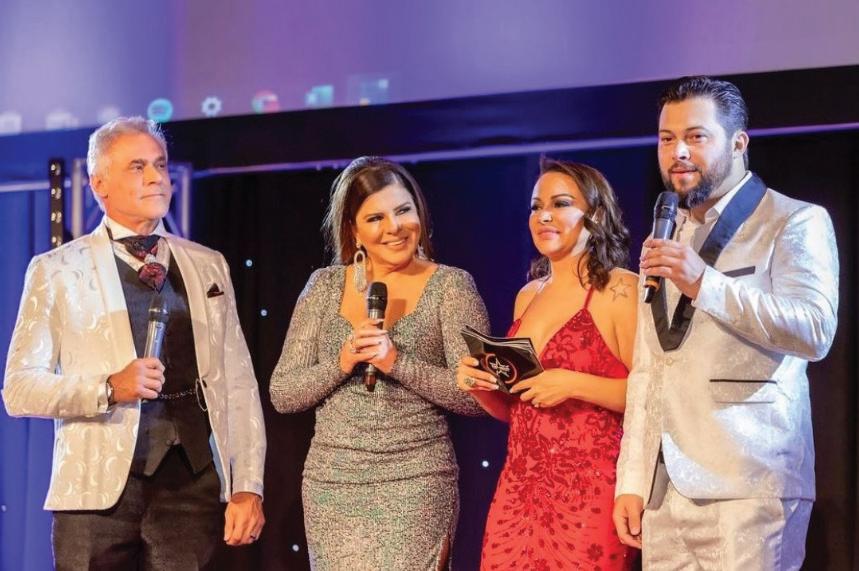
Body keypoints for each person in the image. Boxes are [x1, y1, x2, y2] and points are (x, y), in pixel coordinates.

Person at [2, 117, 266, 570]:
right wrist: (108, 387)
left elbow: (237, 381)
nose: (155, 177)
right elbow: (19, 388)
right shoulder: (57, 270)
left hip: (190, 486)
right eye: (137, 167)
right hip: (95, 493)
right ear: (99, 184)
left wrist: (247, 485)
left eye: (160, 165)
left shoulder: (208, 265)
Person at [612, 76, 839, 570]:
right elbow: (648, 370)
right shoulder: (667, 234)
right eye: (667, 138)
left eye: (696, 136)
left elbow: (815, 329)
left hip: (750, 482)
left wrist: (706, 283)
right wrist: (631, 479)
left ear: (738, 143)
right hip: (664, 491)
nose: (678, 152)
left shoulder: (794, 221)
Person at [269, 156, 489, 570]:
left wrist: (396, 362)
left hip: (416, 479)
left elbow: (477, 398)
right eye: (376, 218)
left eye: (404, 210)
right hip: (333, 484)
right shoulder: (323, 287)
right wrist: (342, 361)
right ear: (353, 230)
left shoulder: (451, 287)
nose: (394, 227)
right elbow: (283, 393)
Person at [457, 158, 638, 569]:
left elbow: (651, 395)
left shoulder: (621, 289)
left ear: (596, 215)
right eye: (536, 206)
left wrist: (573, 383)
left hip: (589, 489)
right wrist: (479, 387)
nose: (543, 216)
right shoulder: (528, 295)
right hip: (517, 488)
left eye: (560, 204)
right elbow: (518, 408)